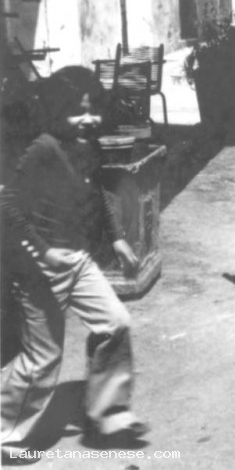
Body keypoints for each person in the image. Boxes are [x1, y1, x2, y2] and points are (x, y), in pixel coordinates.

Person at [1, 66, 148, 462]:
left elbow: (97, 191)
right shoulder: (44, 149)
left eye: (93, 109)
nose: (88, 119)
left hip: (78, 261)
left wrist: (116, 237)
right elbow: (8, 203)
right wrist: (42, 250)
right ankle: (6, 433)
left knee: (115, 323)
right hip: (38, 269)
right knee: (43, 359)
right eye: (77, 111)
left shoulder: (88, 147)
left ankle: (107, 413)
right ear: (55, 112)